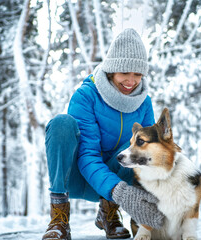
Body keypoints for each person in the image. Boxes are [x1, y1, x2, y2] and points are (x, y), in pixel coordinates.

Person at [42, 28, 164, 240]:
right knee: (61, 123)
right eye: (125, 72)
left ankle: (109, 214)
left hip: (118, 176)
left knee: (142, 148)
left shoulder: (144, 103)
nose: (131, 81)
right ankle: (59, 219)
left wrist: (146, 201)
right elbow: (87, 155)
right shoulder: (86, 95)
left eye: (137, 74)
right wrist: (119, 191)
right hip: (77, 176)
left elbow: (149, 157)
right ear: (111, 70)